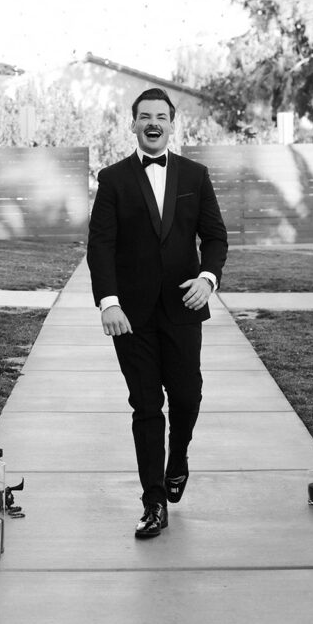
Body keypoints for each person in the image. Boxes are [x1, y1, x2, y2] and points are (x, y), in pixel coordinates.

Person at [87, 88, 228, 539]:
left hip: (185, 308)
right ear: (132, 125)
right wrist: (108, 302)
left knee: (187, 397)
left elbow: (216, 238)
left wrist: (208, 279)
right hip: (131, 316)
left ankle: (179, 458)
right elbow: (101, 246)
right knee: (146, 406)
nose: (153, 123)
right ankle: (152, 502)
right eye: (144, 116)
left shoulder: (195, 175)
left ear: (172, 124)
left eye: (160, 116)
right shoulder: (112, 180)